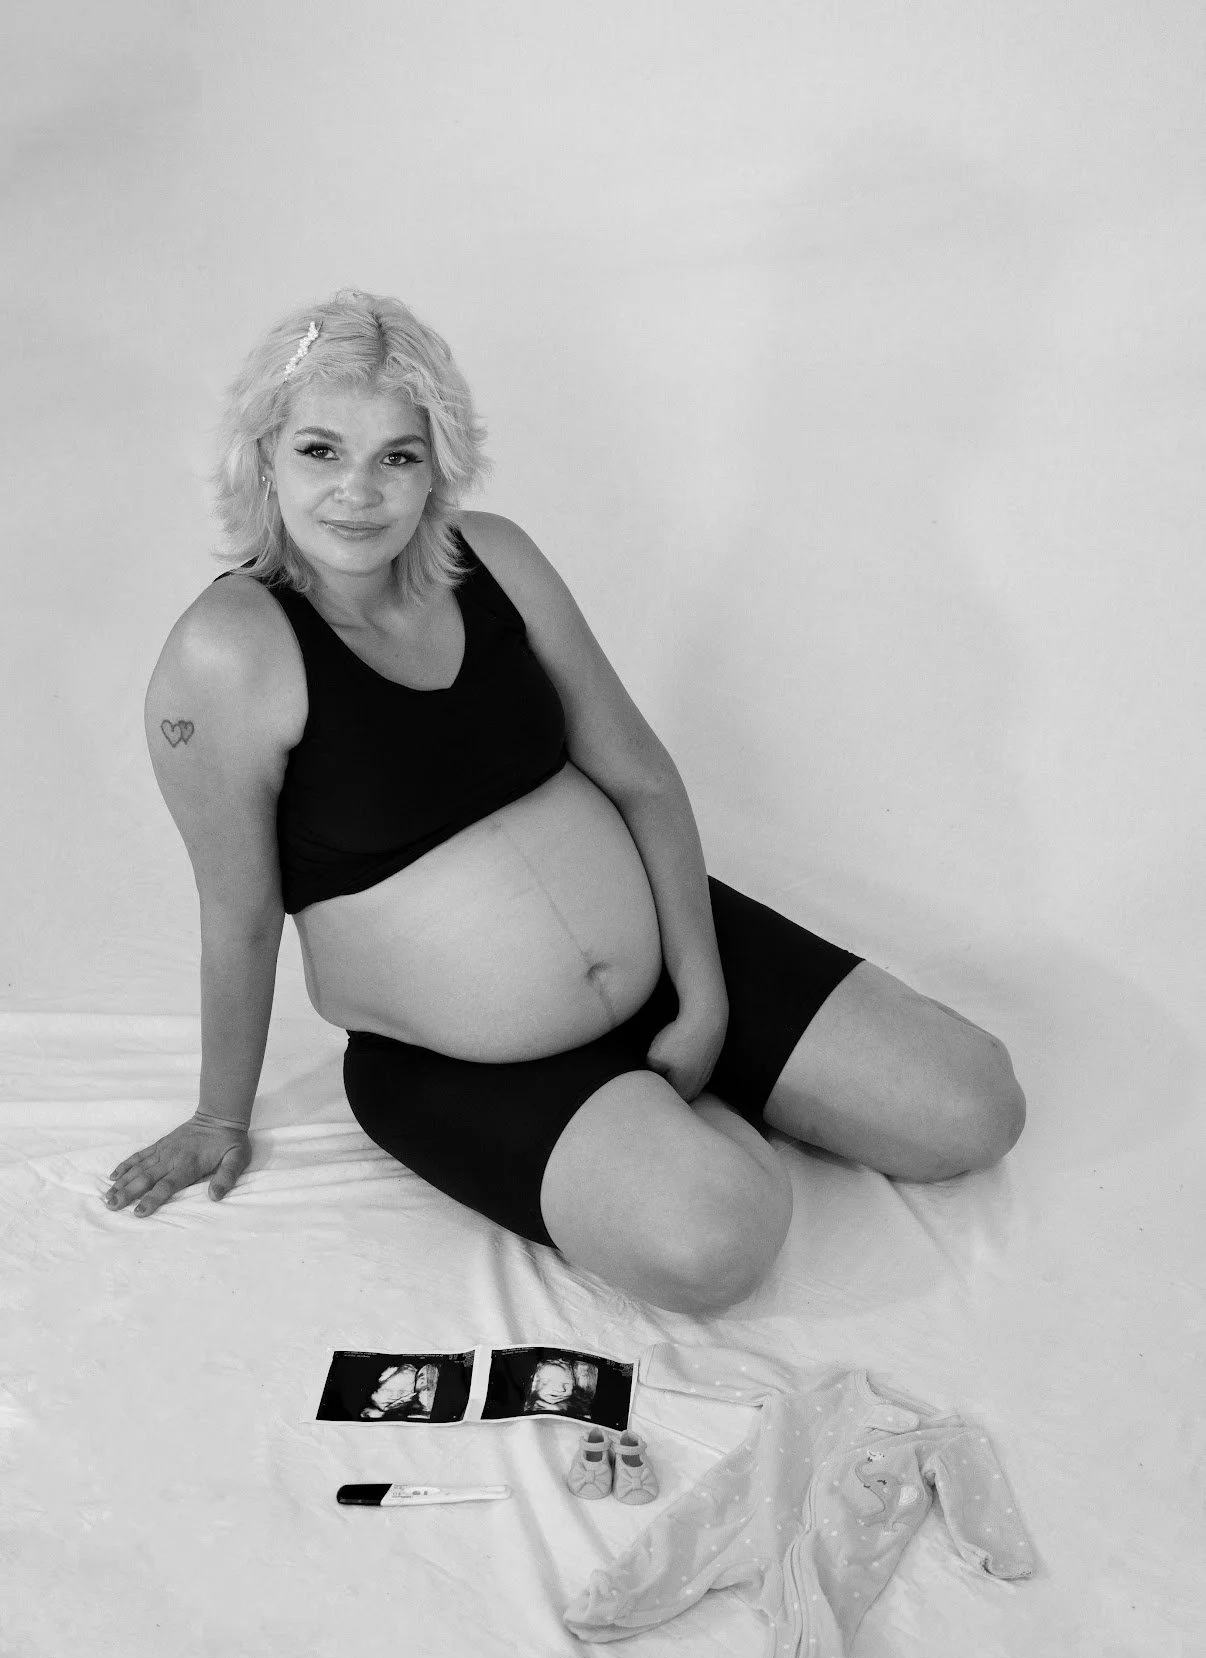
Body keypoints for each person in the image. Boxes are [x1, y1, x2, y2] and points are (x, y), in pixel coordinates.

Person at [104, 289, 1026, 1314]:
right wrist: (217, 1115)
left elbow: (640, 773)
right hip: (455, 1059)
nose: (357, 493)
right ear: (264, 454)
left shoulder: (493, 558)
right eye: (321, 451)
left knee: (974, 1109)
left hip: (668, 952)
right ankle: (665, 1127)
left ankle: (683, 1088)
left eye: (396, 457)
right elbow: (238, 917)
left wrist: (703, 986)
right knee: (717, 1244)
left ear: (436, 463)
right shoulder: (227, 653)